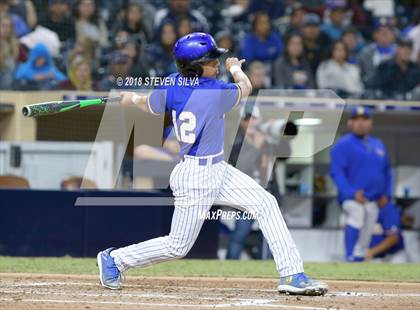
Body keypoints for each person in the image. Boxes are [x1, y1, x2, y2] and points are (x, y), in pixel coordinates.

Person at [96, 32, 328, 296]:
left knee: (266, 203)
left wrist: (130, 98)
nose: (218, 63)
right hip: (196, 175)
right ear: (194, 66)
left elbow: (147, 104)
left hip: (218, 169)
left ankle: (292, 274)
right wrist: (236, 68)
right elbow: (246, 88)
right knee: (177, 247)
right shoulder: (214, 92)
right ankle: (115, 259)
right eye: (211, 60)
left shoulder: (172, 83)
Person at [330, 106, 392, 262]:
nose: (360, 123)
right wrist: (350, 193)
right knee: (357, 214)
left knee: (368, 227)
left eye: (364, 119)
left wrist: (386, 193)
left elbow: (386, 171)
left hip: (374, 198)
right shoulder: (342, 145)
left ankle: (359, 256)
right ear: (350, 123)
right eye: (356, 120)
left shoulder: (378, 144)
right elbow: (337, 173)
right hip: (352, 196)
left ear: (370, 123)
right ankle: (349, 255)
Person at [358, 17, 396, 85]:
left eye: (387, 31)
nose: (385, 34)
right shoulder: (366, 53)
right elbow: (361, 74)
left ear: (392, 35)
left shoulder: (399, 52)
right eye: (381, 31)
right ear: (374, 35)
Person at [0, 14, 19, 89]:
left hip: (10, 74)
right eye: (3, 26)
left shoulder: (14, 43)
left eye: (8, 26)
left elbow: (15, 61)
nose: (6, 29)